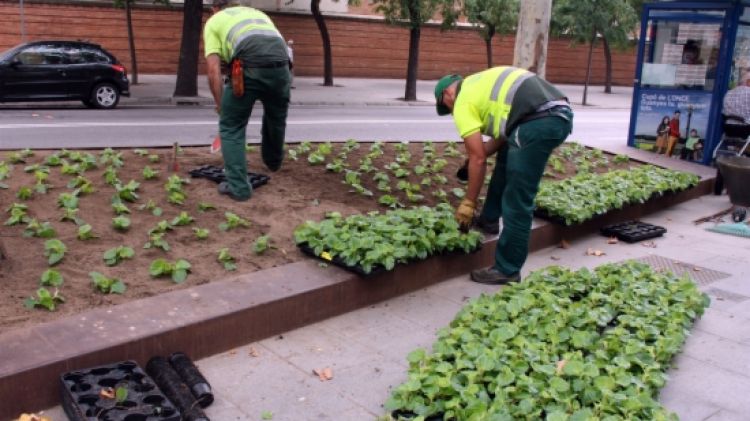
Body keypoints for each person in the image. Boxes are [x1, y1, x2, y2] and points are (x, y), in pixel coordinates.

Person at [434, 67, 573, 285]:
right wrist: (474, 158)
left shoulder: (462, 102)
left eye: (446, 108)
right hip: (554, 114)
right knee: (506, 158)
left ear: (447, 95)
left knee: (517, 198)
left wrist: (469, 203)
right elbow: (501, 137)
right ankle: (489, 219)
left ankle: (507, 269)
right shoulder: (477, 84)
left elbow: (478, 159)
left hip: (536, 123)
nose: (451, 112)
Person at [203, 0, 292, 201]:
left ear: (214, 9)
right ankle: (273, 161)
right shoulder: (256, 14)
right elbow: (268, 48)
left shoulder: (214, 20)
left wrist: (220, 105)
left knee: (230, 126)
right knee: (276, 117)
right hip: (282, 68)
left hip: (248, 68)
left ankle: (239, 188)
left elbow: (213, 70)